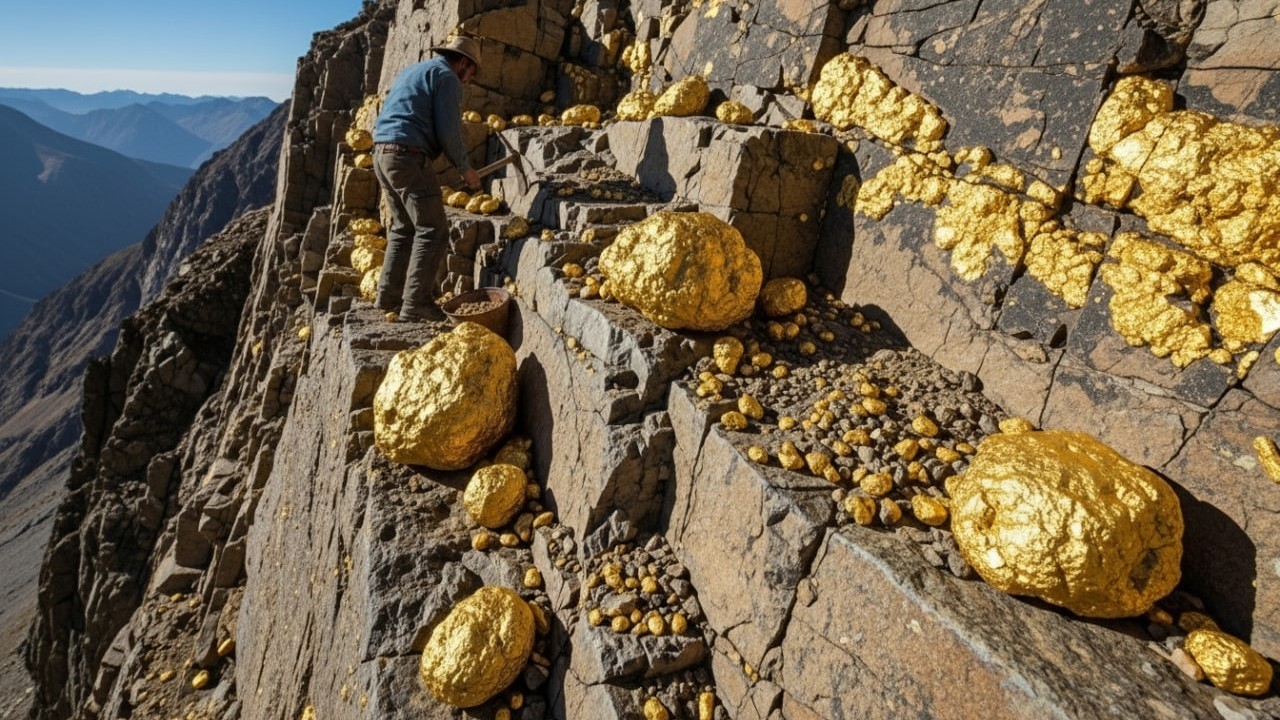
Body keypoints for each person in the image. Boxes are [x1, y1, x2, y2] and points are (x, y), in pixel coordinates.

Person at [371, 36, 483, 321]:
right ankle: (415, 304)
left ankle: (387, 298)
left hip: (382, 153)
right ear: (462, 62)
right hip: (407, 156)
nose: (469, 80)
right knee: (432, 229)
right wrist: (464, 168)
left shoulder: (414, 71)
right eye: (471, 72)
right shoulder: (447, 78)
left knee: (403, 228)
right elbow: (449, 129)